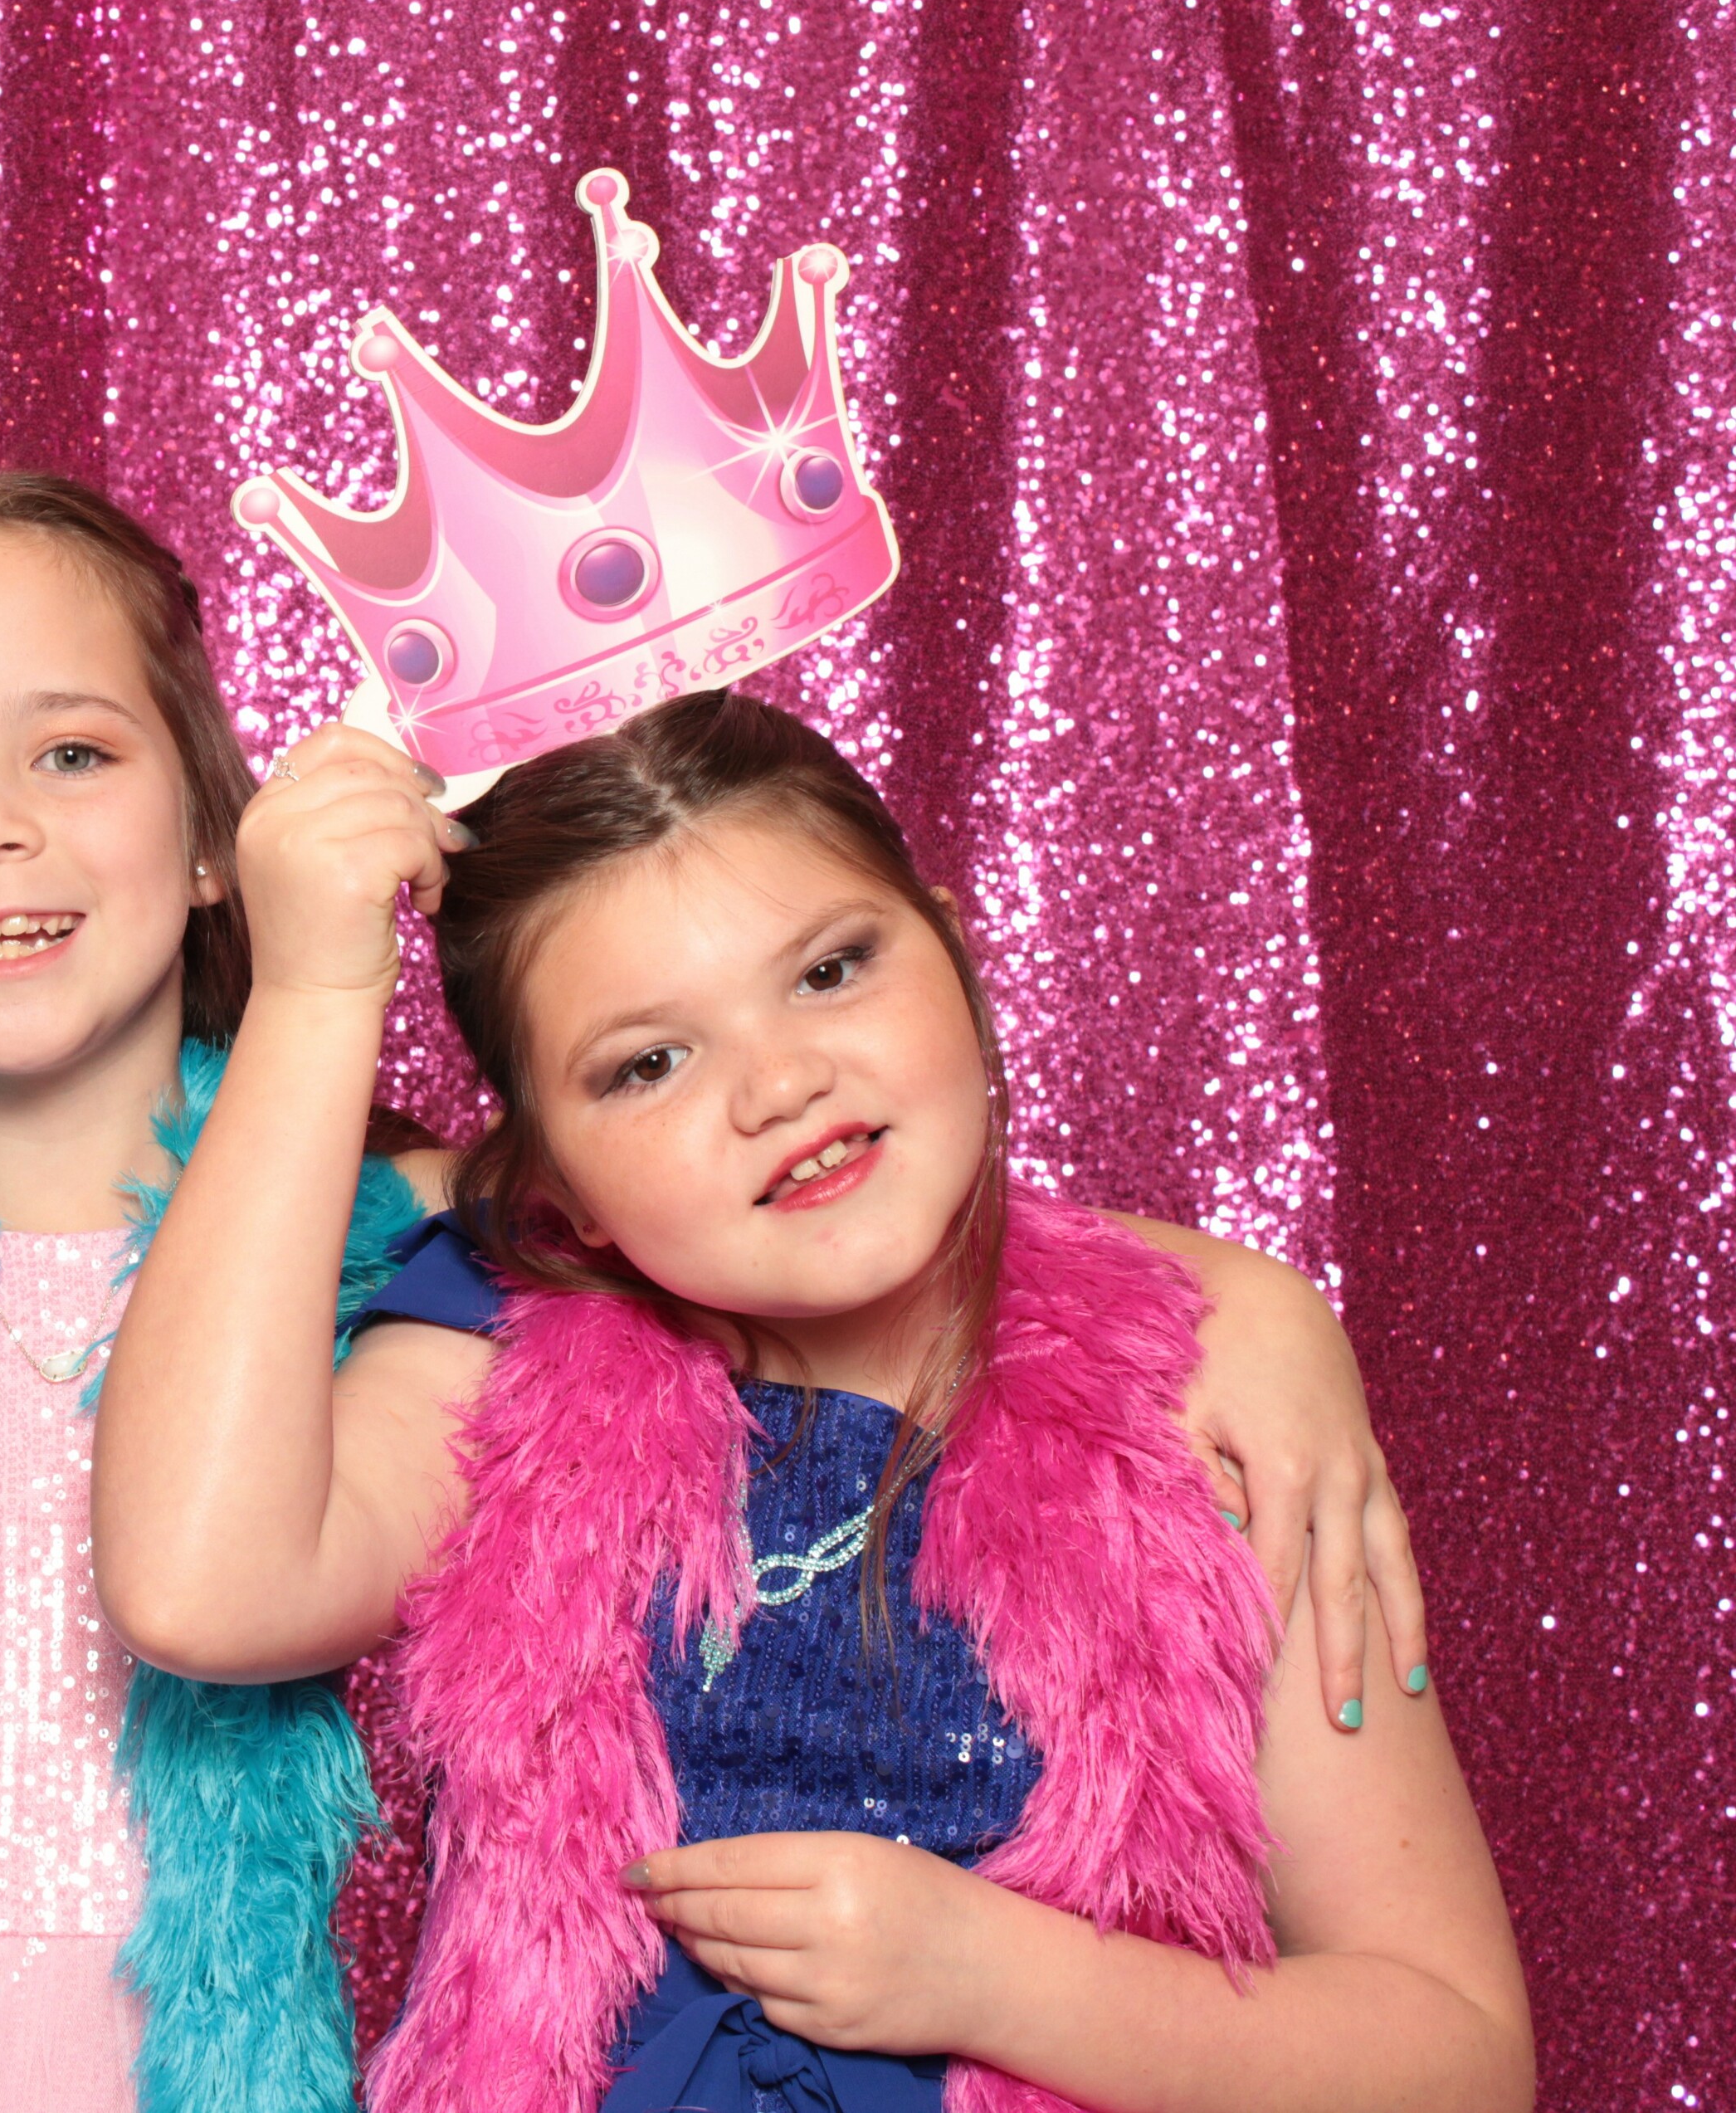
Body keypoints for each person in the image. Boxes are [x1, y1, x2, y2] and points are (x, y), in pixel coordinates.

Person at [0, 487, 1431, 2113]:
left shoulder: (393, 1226)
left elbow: (743, 1197)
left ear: (215, 831)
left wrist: (1250, 1307)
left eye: (70, 753)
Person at [92, 696, 1523, 2113]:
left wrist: (999, 1980)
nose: (780, 1083)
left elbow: (1456, 2056)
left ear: (955, 950)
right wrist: (315, 999)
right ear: (557, 1194)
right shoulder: (504, 1362)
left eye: (831, 970)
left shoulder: (1204, 1400)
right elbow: (199, 1590)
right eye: (650, 1063)